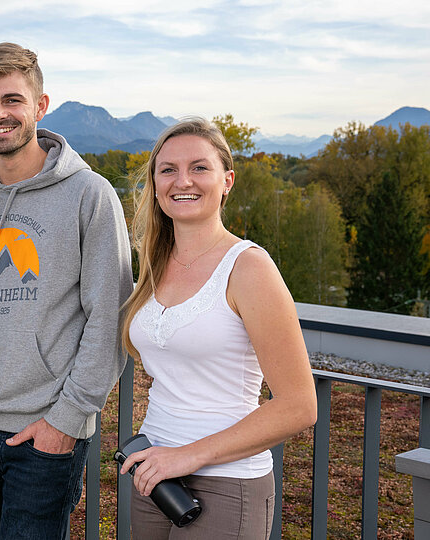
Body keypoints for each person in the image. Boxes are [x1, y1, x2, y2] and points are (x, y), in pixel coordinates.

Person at [0, 42, 133, 539]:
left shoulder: (90, 195)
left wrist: (66, 420)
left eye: (12, 100)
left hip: (45, 433)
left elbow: (110, 317)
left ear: (40, 106)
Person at [118, 117, 317, 539]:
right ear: (155, 185)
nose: (182, 180)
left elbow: (299, 405)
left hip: (228, 484)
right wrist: (166, 459)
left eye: (199, 167)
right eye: (167, 169)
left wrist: (188, 456)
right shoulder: (154, 265)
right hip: (156, 478)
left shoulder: (249, 268)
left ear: (227, 180)